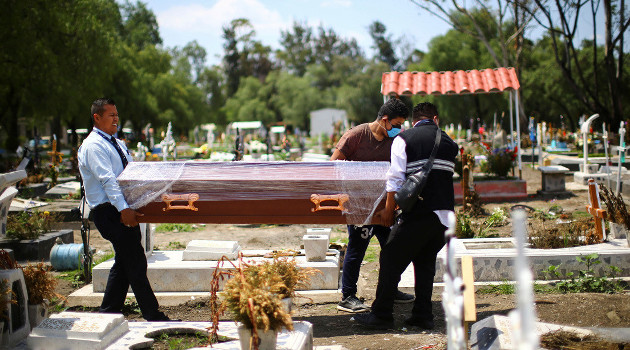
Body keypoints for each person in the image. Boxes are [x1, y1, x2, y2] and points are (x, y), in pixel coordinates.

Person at [354, 101, 459, 329]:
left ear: (414, 120)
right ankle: (423, 315)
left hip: (419, 214)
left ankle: (381, 315)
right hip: (444, 218)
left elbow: (395, 179)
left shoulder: (404, 139)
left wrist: (388, 211)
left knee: (390, 258)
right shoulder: (451, 143)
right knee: (424, 262)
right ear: (436, 119)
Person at [78, 98, 172, 321]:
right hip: (109, 211)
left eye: (117, 115)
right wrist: (123, 209)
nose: (116, 119)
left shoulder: (114, 142)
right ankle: (152, 314)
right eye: (110, 115)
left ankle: (108, 313)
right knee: (135, 260)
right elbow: (107, 180)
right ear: (97, 118)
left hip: (121, 208)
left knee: (124, 261)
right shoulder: (93, 146)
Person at [331, 98, 415, 313]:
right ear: (384, 120)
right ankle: (348, 296)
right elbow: (333, 165)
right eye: (396, 125)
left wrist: (392, 206)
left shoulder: (396, 141)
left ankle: (390, 289)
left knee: (394, 249)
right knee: (357, 250)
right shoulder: (356, 136)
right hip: (360, 206)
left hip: (387, 205)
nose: (399, 129)